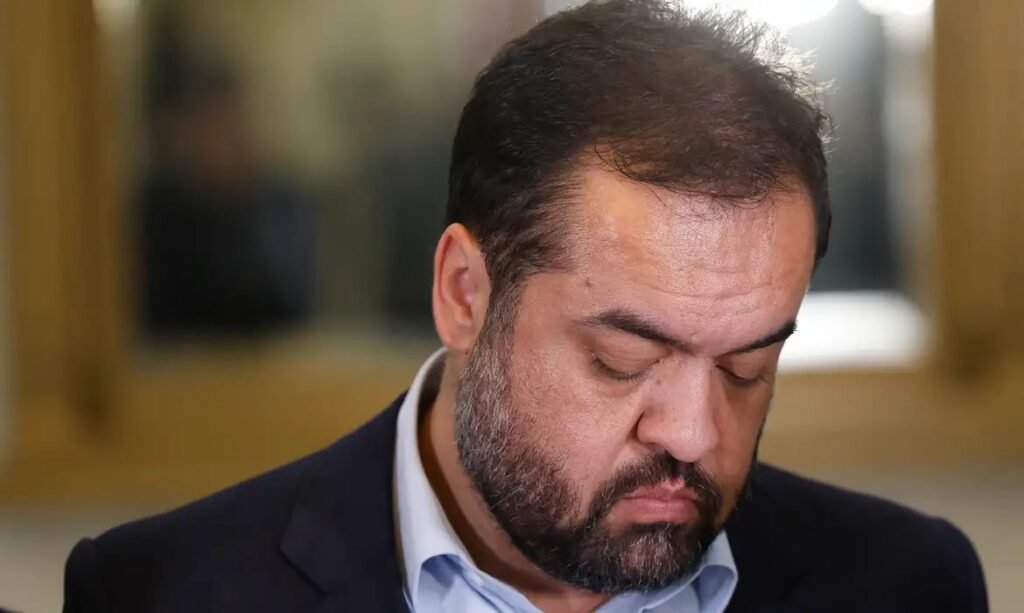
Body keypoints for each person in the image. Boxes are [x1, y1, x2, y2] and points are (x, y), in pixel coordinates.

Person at [63, 1, 988, 611]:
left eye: (747, 365)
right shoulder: (161, 593)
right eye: (623, 360)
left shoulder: (909, 587)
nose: (694, 434)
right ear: (465, 293)